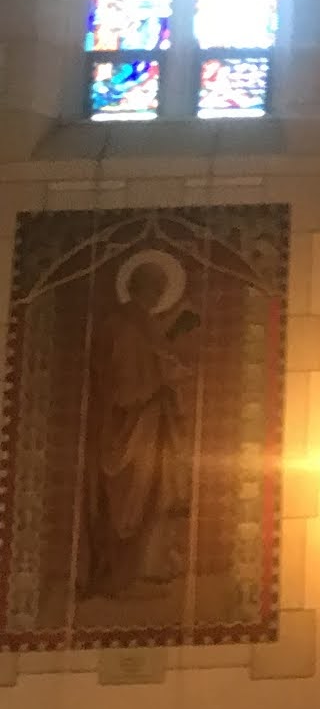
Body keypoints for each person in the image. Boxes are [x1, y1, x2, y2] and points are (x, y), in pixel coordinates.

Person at [81, 256, 196, 598]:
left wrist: (169, 370)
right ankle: (112, 576)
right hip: (126, 425)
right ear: (138, 288)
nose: (157, 295)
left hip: (150, 424)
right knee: (123, 498)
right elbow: (126, 385)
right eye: (154, 288)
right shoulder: (121, 327)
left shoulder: (145, 325)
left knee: (151, 494)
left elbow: (158, 360)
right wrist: (163, 377)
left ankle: (140, 571)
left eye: (161, 290)